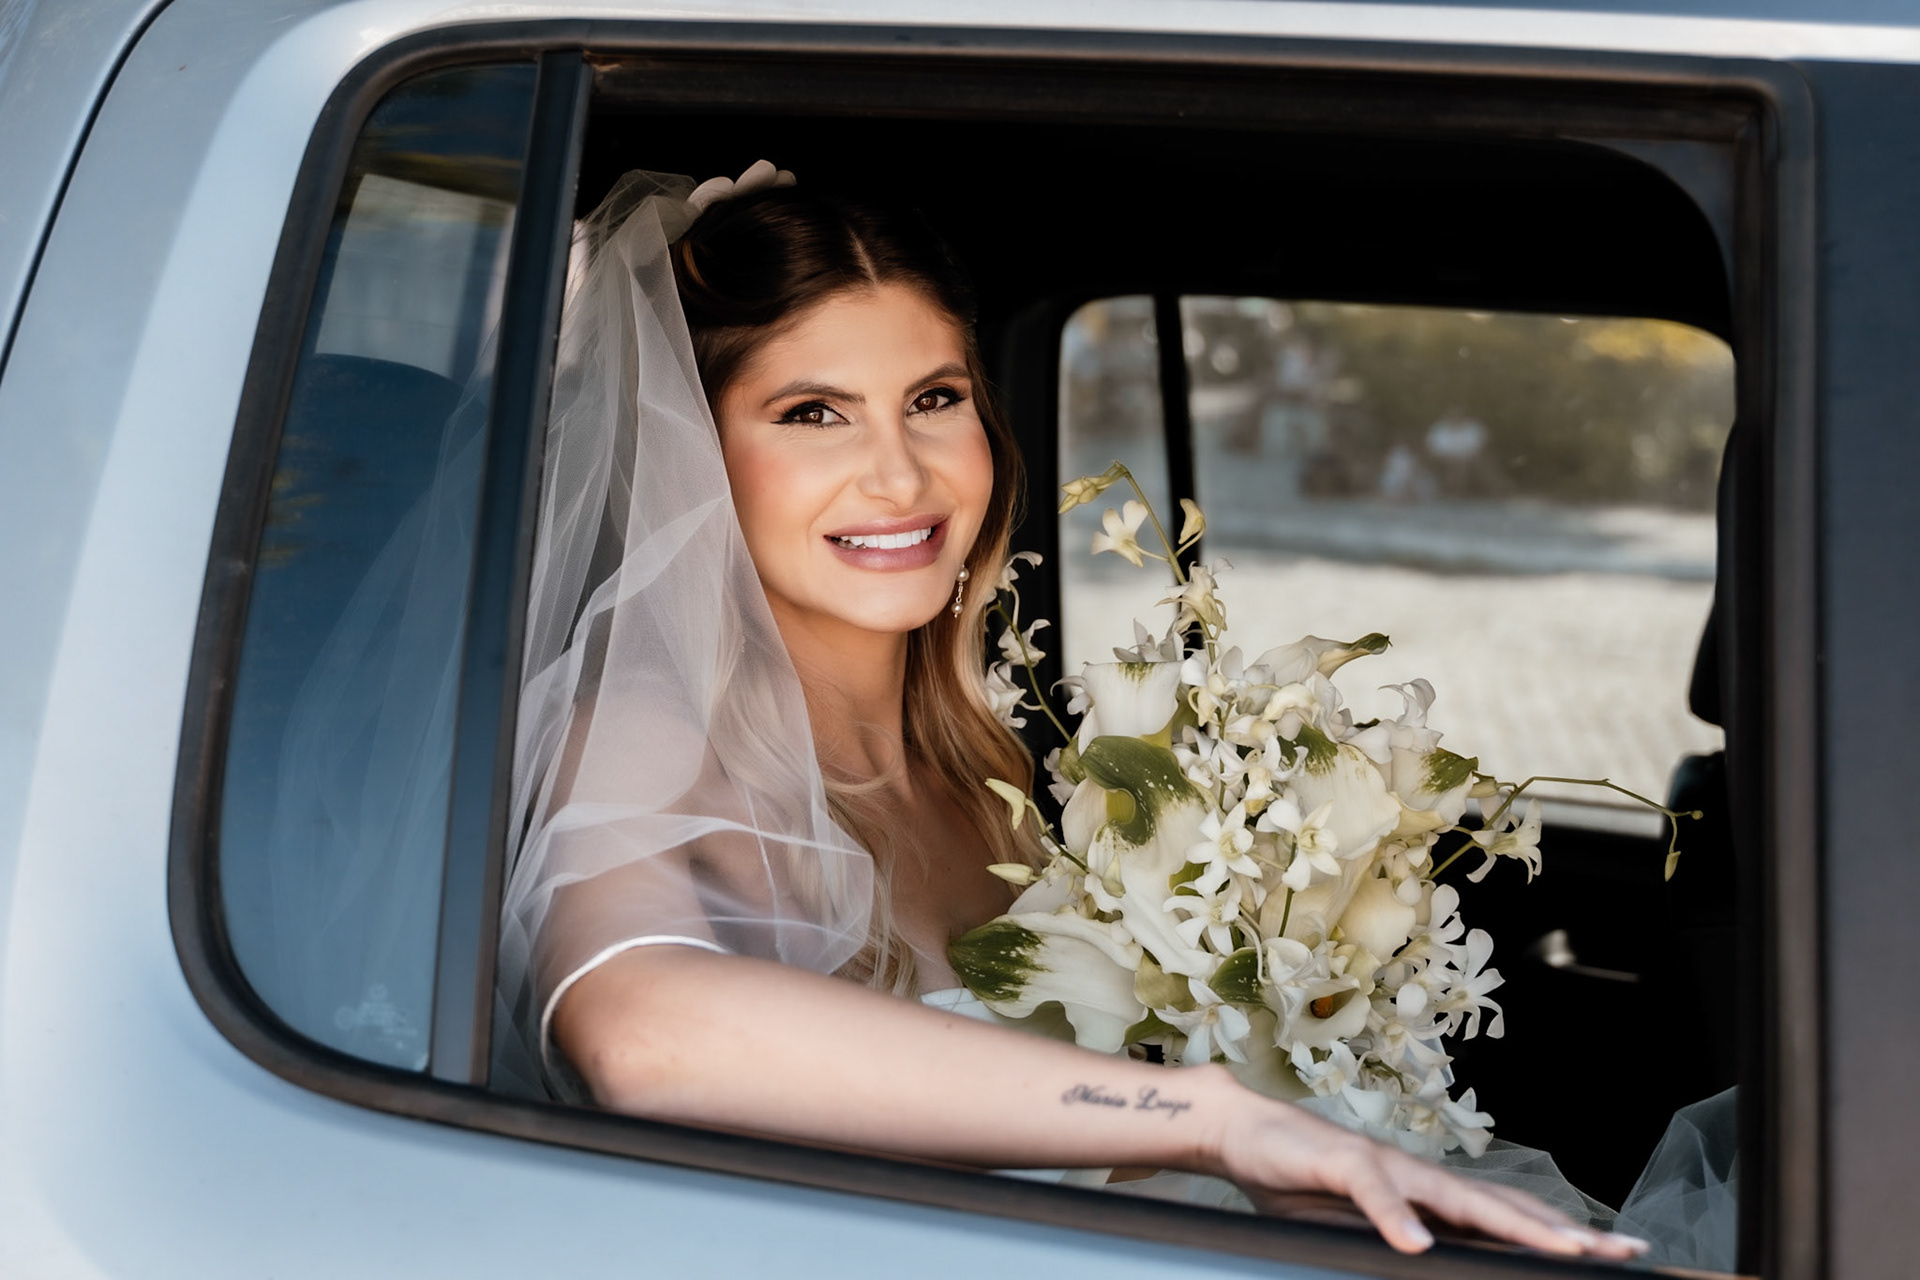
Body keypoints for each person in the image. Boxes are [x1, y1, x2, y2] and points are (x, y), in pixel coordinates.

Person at [493, 163, 1648, 1262]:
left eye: (933, 398)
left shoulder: (981, 766)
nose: (899, 476)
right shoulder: (645, 730)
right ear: (694, 449)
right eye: (813, 413)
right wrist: (1199, 1114)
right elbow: (640, 1036)